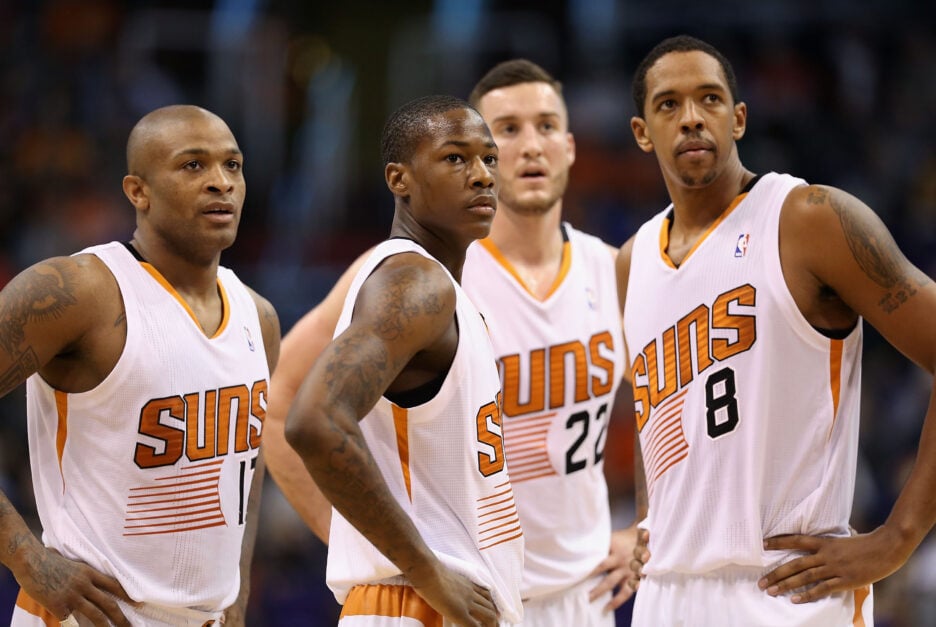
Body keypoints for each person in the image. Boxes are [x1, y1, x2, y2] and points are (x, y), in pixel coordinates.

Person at [264, 59, 638, 625]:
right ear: (404, 176)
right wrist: (388, 554)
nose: (515, 153)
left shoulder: (609, 270)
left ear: (569, 145)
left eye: (543, 126)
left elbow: (681, 404)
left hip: (569, 594)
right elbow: (291, 410)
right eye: (504, 132)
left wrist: (647, 525)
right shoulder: (410, 281)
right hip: (437, 592)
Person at [618, 34, 936, 626]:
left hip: (788, 590)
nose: (691, 118)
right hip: (665, 595)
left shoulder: (809, 218)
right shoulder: (631, 261)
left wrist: (898, 537)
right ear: (642, 132)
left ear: (737, 118)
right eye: (668, 105)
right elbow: (651, 408)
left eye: (709, 99)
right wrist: (645, 514)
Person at [0, 104, 280, 626]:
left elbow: (247, 465)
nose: (221, 183)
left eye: (233, 166)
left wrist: (236, 597)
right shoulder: (78, 291)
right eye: (192, 165)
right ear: (138, 191)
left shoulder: (258, 315)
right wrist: (28, 559)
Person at [283, 94, 523, 626]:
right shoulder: (414, 283)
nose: (482, 174)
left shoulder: (441, 289)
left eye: (488, 158)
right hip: (415, 606)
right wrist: (425, 569)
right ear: (399, 179)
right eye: (455, 158)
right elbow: (312, 422)